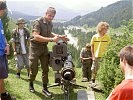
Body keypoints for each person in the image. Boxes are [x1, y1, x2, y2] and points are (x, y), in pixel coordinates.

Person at [29, 7, 69, 98]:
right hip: (35, 48)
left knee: (45, 69)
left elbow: (50, 33)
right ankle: (31, 83)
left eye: (53, 16)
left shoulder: (50, 23)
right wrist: (52, 39)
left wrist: (60, 37)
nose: (51, 18)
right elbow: (35, 36)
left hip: (44, 47)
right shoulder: (38, 22)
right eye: (49, 15)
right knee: (34, 68)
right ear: (46, 13)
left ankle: (45, 88)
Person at [0, 1, 12, 100]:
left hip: (2, 53)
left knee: (1, 76)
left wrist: (6, 44)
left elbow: (2, 34)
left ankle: (4, 95)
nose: (4, 12)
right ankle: (4, 96)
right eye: (4, 10)